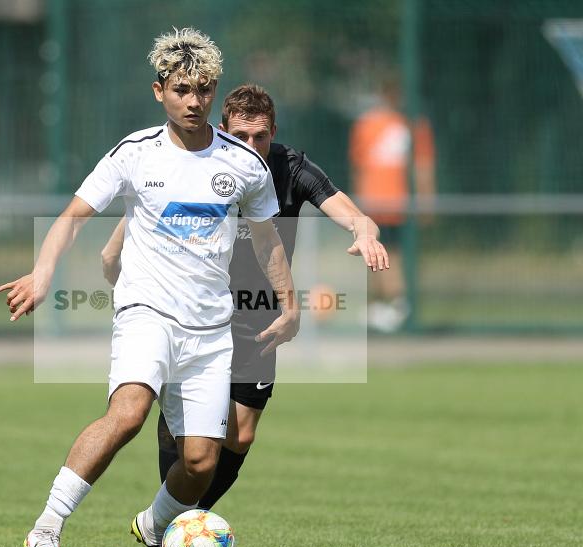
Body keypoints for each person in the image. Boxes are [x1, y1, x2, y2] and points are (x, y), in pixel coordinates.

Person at [0, 28, 299, 547]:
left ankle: (156, 527)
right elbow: (72, 218)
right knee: (129, 412)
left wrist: (290, 306)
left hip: (210, 330)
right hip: (147, 313)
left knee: (201, 462)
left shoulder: (243, 164)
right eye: (181, 89)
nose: (193, 101)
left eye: (203, 90)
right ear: (159, 91)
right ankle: (47, 527)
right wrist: (42, 274)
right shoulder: (135, 154)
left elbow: (267, 240)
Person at [101, 84, 388, 512]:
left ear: (274, 131)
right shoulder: (202, 162)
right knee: (182, 430)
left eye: (261, 136)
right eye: (241, 136)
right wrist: (119, 265)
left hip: (258, 317)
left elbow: (353, 215)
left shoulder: (293, 168)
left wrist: (366, 234)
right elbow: (138, 221)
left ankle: (181, 518)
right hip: (194, 310)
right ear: (223, 129)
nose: (251, 146)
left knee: (240, 434)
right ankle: (177, 525)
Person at [349, 73, 435, 332]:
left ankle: (397, 303)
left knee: (390, 253)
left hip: (396, 203)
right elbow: (359, 167)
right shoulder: (366, 125)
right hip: (372, 203)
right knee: (373, 252)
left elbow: (422, 167)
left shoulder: (412, 126)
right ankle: (382, 306)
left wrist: (425, 200)